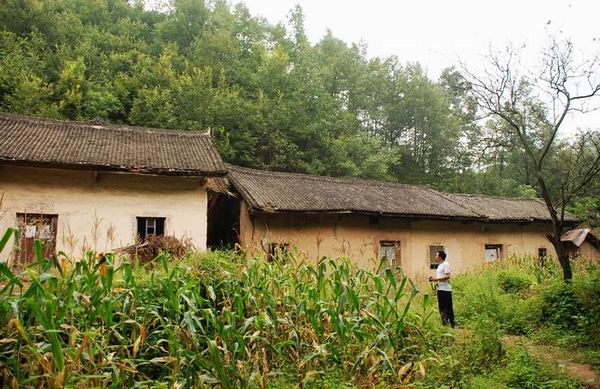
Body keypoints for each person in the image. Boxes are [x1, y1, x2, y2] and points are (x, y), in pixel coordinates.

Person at [429, 250, 455, 327]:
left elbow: (448, 276)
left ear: (440, 257)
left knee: (448, 306)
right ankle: (444, 323)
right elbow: (441, 277)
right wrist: (434, 279)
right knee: (441, 307)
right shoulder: (439, 266)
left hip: (446, 289)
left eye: (436, 255)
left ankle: (452, 323)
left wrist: (436, 279)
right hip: (440, 289)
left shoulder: (445, 264)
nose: (435, 257)